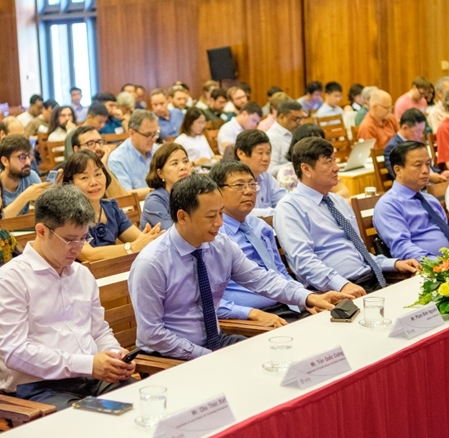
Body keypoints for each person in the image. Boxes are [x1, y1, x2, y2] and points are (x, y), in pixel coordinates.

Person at [128, 174, 349, 360]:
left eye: (221, 213)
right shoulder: (152, 263)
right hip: (171, 355)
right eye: (211, 216)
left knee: (277, 359)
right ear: (183, 216)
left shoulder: (220, 246)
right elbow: (152, 334)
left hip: (215, 341)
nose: (220, 223)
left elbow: (262, 280)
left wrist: (308, 297)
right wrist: (205, 356)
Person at [0, 185, 135, 410]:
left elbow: (99, 331)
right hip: (40, 387)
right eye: (70, 239)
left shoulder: (82, 274)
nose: (78, 248)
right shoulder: (11, 280)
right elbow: (14, 352)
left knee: (141, 405)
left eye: (84, 238)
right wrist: (88, 364)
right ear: (42, 231)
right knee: (90, 428)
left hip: (92, 378)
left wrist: (115, 355)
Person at [274, 137, 419, 296]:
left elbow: (361, 254)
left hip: (371, 279)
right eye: (328, 162)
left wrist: (395, 264)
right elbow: (304, 262)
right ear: (306, 169)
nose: (336, 168)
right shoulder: (289, 208)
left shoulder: (338, 201)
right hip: (335, 292)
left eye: (335, 160)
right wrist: (342, 285)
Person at [209, 161, 305, 325]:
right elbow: (209, 299)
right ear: (217, 192)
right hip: (251, 319)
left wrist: (305, 297)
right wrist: (249, 314)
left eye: (252, 184)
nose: (248, 191)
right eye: (239, 185)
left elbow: (279, 271)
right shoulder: (214, 236)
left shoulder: (260, 227)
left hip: (287, 305)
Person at [63, 150, 162, 260]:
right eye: (84, 178)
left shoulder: (111, 208)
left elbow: (139, 240)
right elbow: (88, 255)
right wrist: (131, 247)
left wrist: (151, 238)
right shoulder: (67, 215)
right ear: (71, 183)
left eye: (98, 174)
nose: (94, 182)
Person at [373, 141, 449, 260]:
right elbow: (401, 248)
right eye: (418, 165)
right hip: (428, 269)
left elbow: (445, 233)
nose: (425, 170)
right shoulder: (388, 206)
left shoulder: (430, 200)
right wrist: (438, 263)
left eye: (428, 164)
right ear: (398, 170)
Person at [274, 124, 350, 199]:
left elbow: (344, 192)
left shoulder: (326, 167)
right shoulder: (287, 173)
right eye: (314, 143)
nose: (336, 168)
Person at [384, 109, 449, 183]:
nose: (421, 135)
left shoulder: (417, 141)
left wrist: (440, 173)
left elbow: (427, 165)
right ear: (405, 128)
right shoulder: (392, 147)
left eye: (422, 131)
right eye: (418, 131)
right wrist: (429, 177)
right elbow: (397, 174)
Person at [67, 125, 129, 198]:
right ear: (76, 150)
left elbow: (123, 200)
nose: (98, 148)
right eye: (90, 143)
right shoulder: (68, 171)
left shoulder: (105, 165)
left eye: (99, 142)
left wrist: (103, 166)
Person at [140, 143, 192, 230]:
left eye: (185, 161)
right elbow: (174, 235)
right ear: (160, 173)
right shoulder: (154, 201)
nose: (183, 167)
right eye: (175, 163)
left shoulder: (194, 194)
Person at [234, 130, 286, 216]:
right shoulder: (232, 181)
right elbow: (245, 214)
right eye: (260, 153)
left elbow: (284, 202)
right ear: (241, 153)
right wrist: (276, 213)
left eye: (268, 153)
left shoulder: (266, 176)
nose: (266, 158)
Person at [0, 135, 49, 217]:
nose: (28, 162)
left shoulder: (31, 176)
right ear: (5, 161)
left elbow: (47, 211)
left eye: (29, 156)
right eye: (22, 157)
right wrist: (25, 196)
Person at [107, 110, 160, 192]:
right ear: (132, 133)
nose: (153, 139)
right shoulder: (117, 159)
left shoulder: (157, 150)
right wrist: (158, 191)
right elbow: (126, 194)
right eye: (148, 135)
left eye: (155, 133)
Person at [266, 100, 306, 175]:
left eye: (301, 119)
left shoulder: (296, 132)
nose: (300, 123)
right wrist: (295, 165)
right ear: (282, 117)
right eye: (296, 119)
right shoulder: (271, 137)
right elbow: (270, 170)